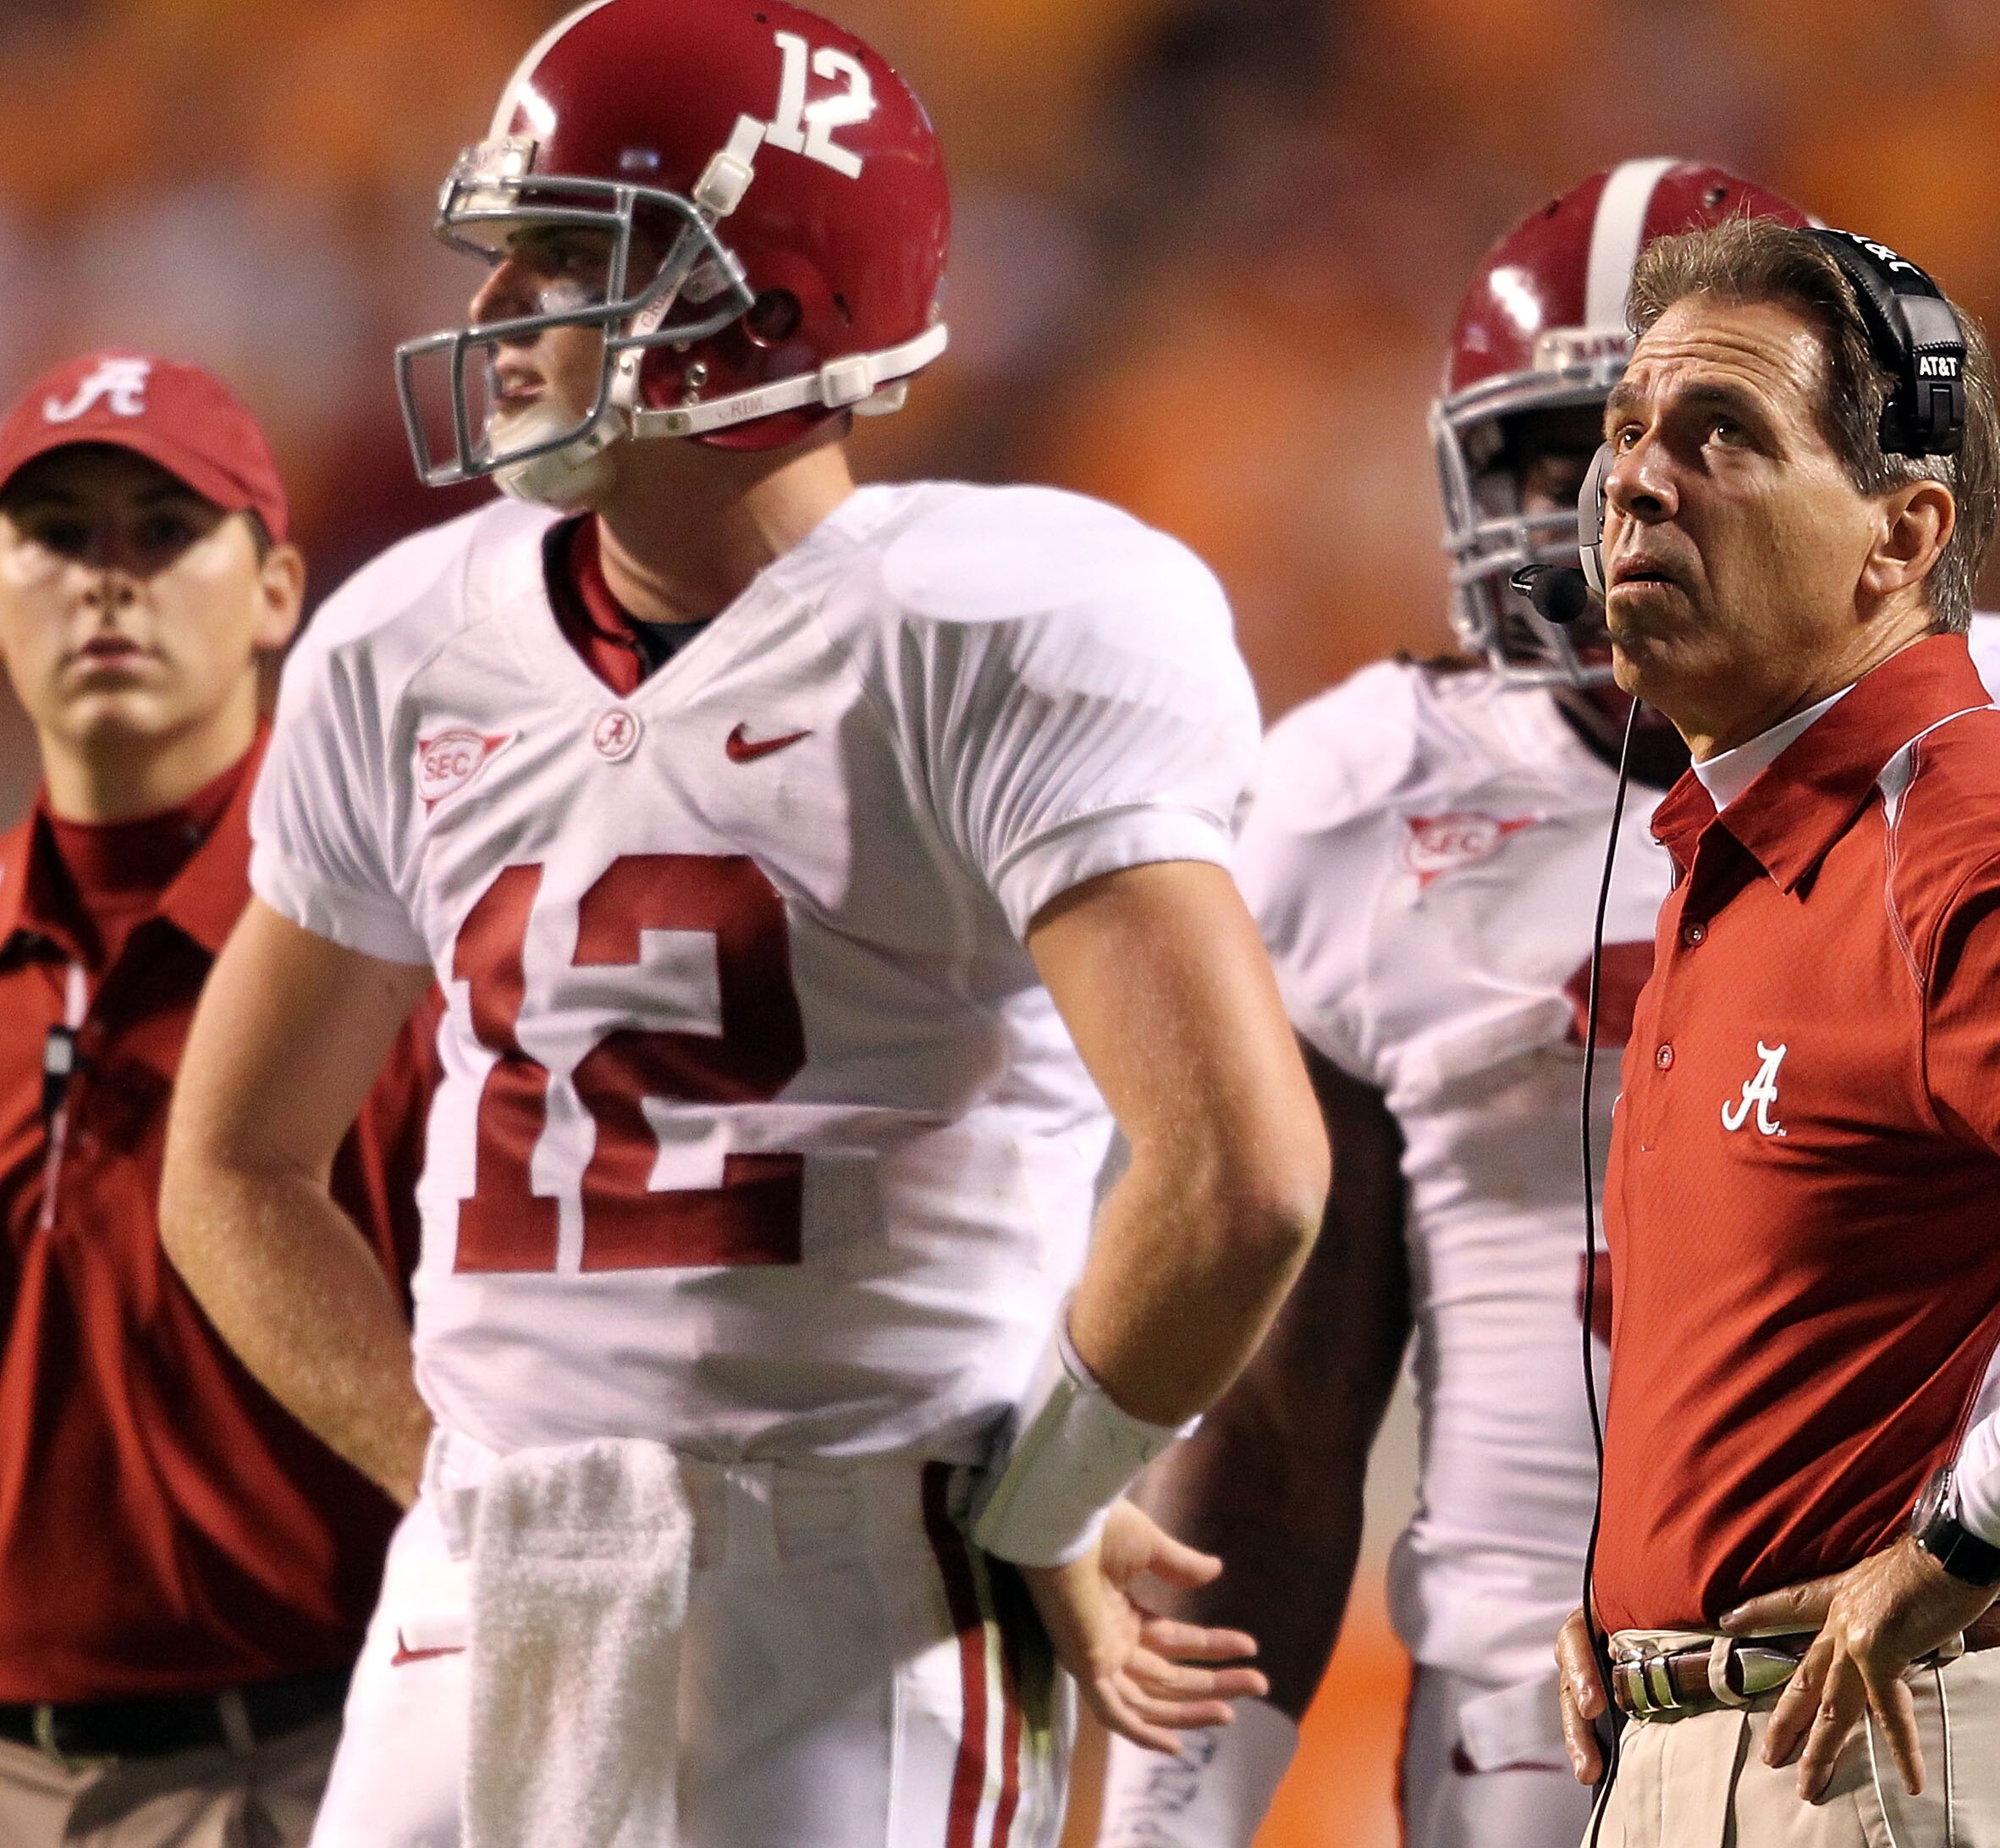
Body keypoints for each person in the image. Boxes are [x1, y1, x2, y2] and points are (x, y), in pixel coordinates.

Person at [1097, 163, 2000, 1848]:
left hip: (1909, 1723)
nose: (1617, 493)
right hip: (1624, 1718)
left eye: (1712, 436)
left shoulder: (1986, 796)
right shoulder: (1652, 829)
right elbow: (1285, 1420)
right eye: (1587, 443)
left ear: (1901, 532)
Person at [154, 4, 1327, 1845]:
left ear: (763, 304)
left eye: (572, 257)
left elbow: (1243, 1176)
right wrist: (462, 1479)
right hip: (487, 1577)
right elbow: (226, 1168)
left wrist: (1044, 1504)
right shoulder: (406, 641)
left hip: (847, 1581)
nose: (501, 311)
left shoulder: (991, 624)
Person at [0, 350, 433, 1846]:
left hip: (331, 1754)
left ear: (277, 592)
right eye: (57, 535)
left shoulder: (389, 945)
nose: (104, 580)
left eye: (163, 531)